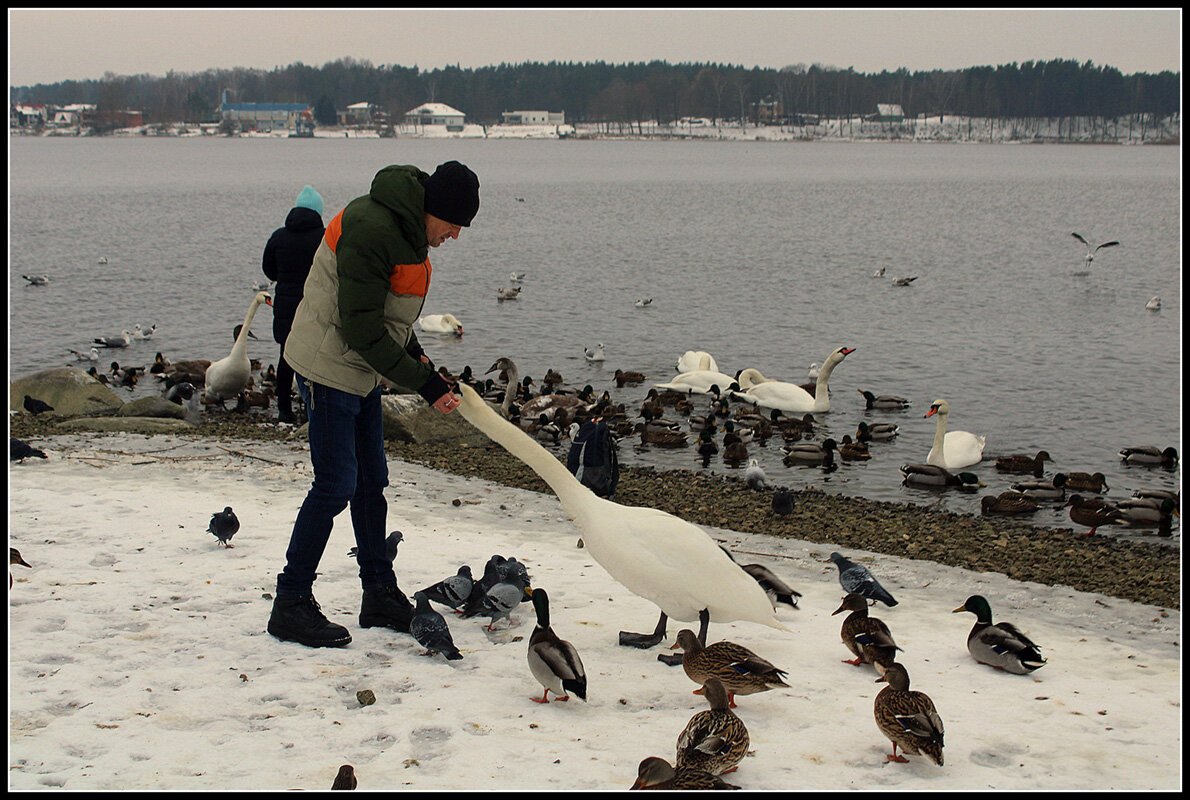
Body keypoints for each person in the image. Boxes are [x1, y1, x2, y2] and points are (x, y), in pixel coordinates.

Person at [267, 161, 480, 648]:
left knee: (371, 482)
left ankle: (378, 592)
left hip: (358, 369)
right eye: (453, 224)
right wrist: (424, 386)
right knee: (336, 482)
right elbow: (361, 328)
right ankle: (290, 602)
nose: (454, 235)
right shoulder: (371, 229)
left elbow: (387, 321)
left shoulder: (407, 232)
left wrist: (421, 362)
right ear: (434, 210)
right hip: (328, 367)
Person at [262, 184, 326, 424]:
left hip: (285, 305)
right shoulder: (324, 237)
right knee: (316, 357)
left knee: (285, 356)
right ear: (318, 213)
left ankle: (284, 410)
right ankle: (313, 408)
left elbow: (268, 270)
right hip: (314, 303)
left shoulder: (279, 236)